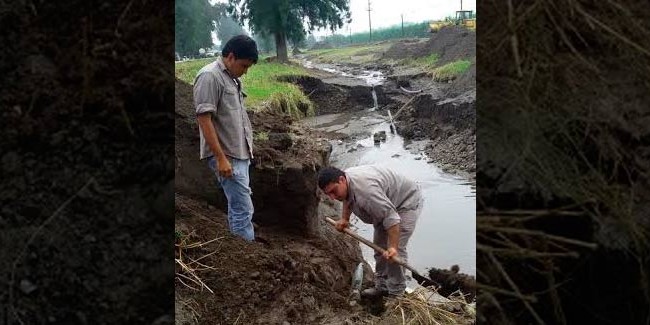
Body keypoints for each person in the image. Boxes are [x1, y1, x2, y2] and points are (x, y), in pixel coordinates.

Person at [318, 165, 424, 297]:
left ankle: (397, 295)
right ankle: (382, 286)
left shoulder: (366, 191)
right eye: (328, 194)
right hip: (384, 205)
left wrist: (393, 247)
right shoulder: (346, 184)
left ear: (341, 179)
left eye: (333, 191)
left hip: (405, 203)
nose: (332, 198)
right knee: (380, 249)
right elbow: (346, 198)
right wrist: (344, 218)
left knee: (394, 255)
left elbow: (392, 218)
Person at [193, 35, 258, 241]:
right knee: (243, 210)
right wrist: (220, 158)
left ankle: (241, 248)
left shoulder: (231, 77)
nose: (245, 71)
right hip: (226, 156)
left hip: (239, 154)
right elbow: (204, 119)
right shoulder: (209, 77)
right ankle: (246, 255)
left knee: (240, 206)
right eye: (244, 65)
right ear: (230, 56)